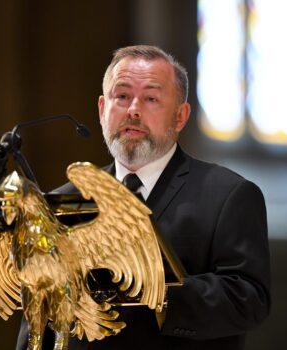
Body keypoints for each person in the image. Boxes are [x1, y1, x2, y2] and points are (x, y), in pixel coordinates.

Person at [16, 45, 270, 350]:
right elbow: (39, 316)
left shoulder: (227, 196)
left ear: (179, 116)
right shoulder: (62, 202)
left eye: (151, 99)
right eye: (121, 97)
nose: (133, 110)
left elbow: (248, 300)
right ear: (101, 109)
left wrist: (151, 288)